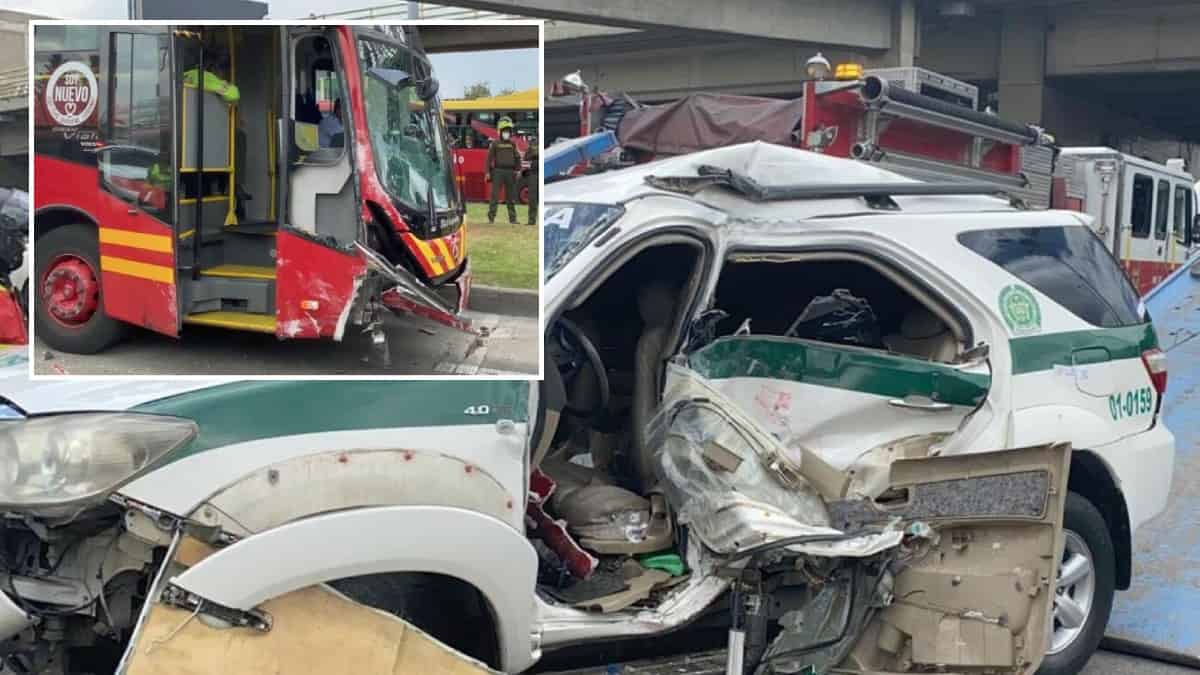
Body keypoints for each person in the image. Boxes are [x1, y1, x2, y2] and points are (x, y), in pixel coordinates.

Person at [486, 117, 520, 224]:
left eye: (508, 131)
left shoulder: (512, 144)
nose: (507, 133)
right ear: (500, 132)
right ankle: (491, 218)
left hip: (510, 172)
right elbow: (489, 159)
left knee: (510, 197)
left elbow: (517, 157)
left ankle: (513, 219)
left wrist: (518, 170)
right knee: (495, 195)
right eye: (505, 131)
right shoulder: (495, 144)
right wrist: (487, 172)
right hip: (498, 172)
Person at [523, 132, 539, 226]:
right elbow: (526, 157)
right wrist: (533, 154)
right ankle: (531, 220)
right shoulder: (532, 144)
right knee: (532, 197)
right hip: (534, 173)